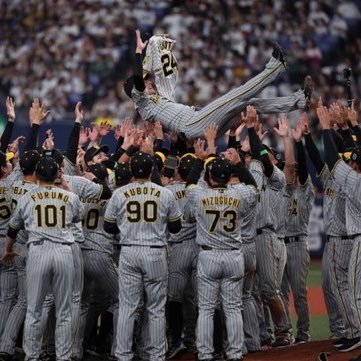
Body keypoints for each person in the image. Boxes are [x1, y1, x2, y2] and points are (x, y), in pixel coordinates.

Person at [124, 29, 312, 139]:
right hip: (193, 125)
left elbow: (154, 70)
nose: (149, 81)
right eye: (145, 81)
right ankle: (275, 66)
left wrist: (154, 46)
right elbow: (139, 78)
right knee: (236, 95)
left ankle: (299, 100)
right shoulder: (143, 103)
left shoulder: (156, 97)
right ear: (134, 91)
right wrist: (138, 51)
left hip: (197, 120)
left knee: (248, 105)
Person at [1, 157, 83, 361]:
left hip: (38, 252)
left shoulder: (27, 197)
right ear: (57, 175)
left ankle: (32, 357)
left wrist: (8, 249)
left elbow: (13, 229)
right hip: (64, 252)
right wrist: (66, 187)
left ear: (36, 175)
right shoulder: (69, 198)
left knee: (34, 309)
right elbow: (77, 216)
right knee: (64, 310)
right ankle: (63, 357)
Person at [104, 151, 182, 361]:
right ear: (152, 171)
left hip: (129, 251)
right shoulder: (165, 193)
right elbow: (176, 227)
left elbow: (108, 227)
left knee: (128, 306)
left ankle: (122, 354)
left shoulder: (119, 194)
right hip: (155, 252)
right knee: (156, 308)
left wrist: (127, 225)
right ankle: (156, 355)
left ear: (130, 170)